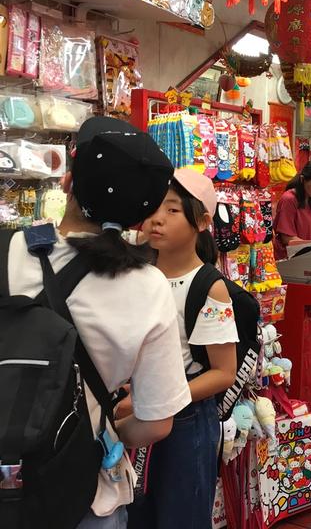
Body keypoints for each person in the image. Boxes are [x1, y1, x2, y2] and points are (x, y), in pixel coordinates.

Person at [5, 117, 191, 528]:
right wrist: (106, 434)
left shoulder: (7, 251)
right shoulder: (148, 286)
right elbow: (157, 423)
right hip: (82, 495)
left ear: (67, 182)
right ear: (142, 215)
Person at [129, 168, 238, 529]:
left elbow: (224, 373)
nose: (156, 219)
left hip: (186, 421)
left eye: (172, 210)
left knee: (181, 515)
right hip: (135, 416)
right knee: (137, 513)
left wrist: (157, 397)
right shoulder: (137, 273)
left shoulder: (209, 287)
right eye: (154, 207)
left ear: (202, 222)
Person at [273, 160, 311, 260]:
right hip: (288, 258)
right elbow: (287, 238)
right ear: (302, 179)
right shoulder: (289, 199)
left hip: (308, 255)